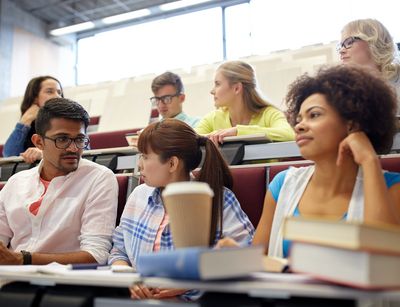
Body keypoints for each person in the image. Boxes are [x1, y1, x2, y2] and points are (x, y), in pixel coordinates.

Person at [250, 65, 400, 258]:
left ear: (351, 123)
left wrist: (369, 161)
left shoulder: (392, 188)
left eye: (314, 115)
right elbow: (256, 261)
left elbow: (386, 262)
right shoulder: (282, 184)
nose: (300, 126)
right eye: (298, 119)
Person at [109, 118, 254, 300]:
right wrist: (128, 277)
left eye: (145, 157)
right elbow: (119, 251)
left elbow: (246, 258)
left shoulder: (218, 199)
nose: (140, 164)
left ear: (172, 164)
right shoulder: (139, 195)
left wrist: (189, 283)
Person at [0, 98, 118, 265]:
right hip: (11, 277)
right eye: (62, 139)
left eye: (79, 139)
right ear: (38, 142)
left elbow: (96, 255)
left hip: (64, 283)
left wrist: (23, 259)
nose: (73, 148)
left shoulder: (99, 178)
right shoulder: (15, 183)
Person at [195, 60, 295, 144]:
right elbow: (188, 139)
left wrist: (237, 131)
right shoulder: (213, 118)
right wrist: (210, 137)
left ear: (237, 88)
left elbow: (289, 134)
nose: (212, 91)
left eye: (217, 84)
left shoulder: (269, 114)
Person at [338, 19, 400, 113]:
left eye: (349, 42)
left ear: (373, 42)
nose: (341, 50)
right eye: (341, 45)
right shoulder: (343, 92)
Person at [2, 76, 63, 163]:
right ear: (35, 98)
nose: (58, 96)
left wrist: (44, 154)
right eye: (50, 91)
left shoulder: (70, 122)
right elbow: (9, 156)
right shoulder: (29, 126)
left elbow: (84, 154)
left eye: (59, 92)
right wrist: (25, 120)